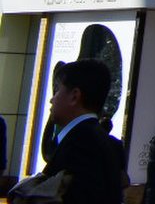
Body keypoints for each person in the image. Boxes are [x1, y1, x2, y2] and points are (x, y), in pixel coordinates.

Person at [9, 59, 123, 204]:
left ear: (74, 96)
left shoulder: (79, 144)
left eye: (57, 90)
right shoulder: (111, 144)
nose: (52, 99)